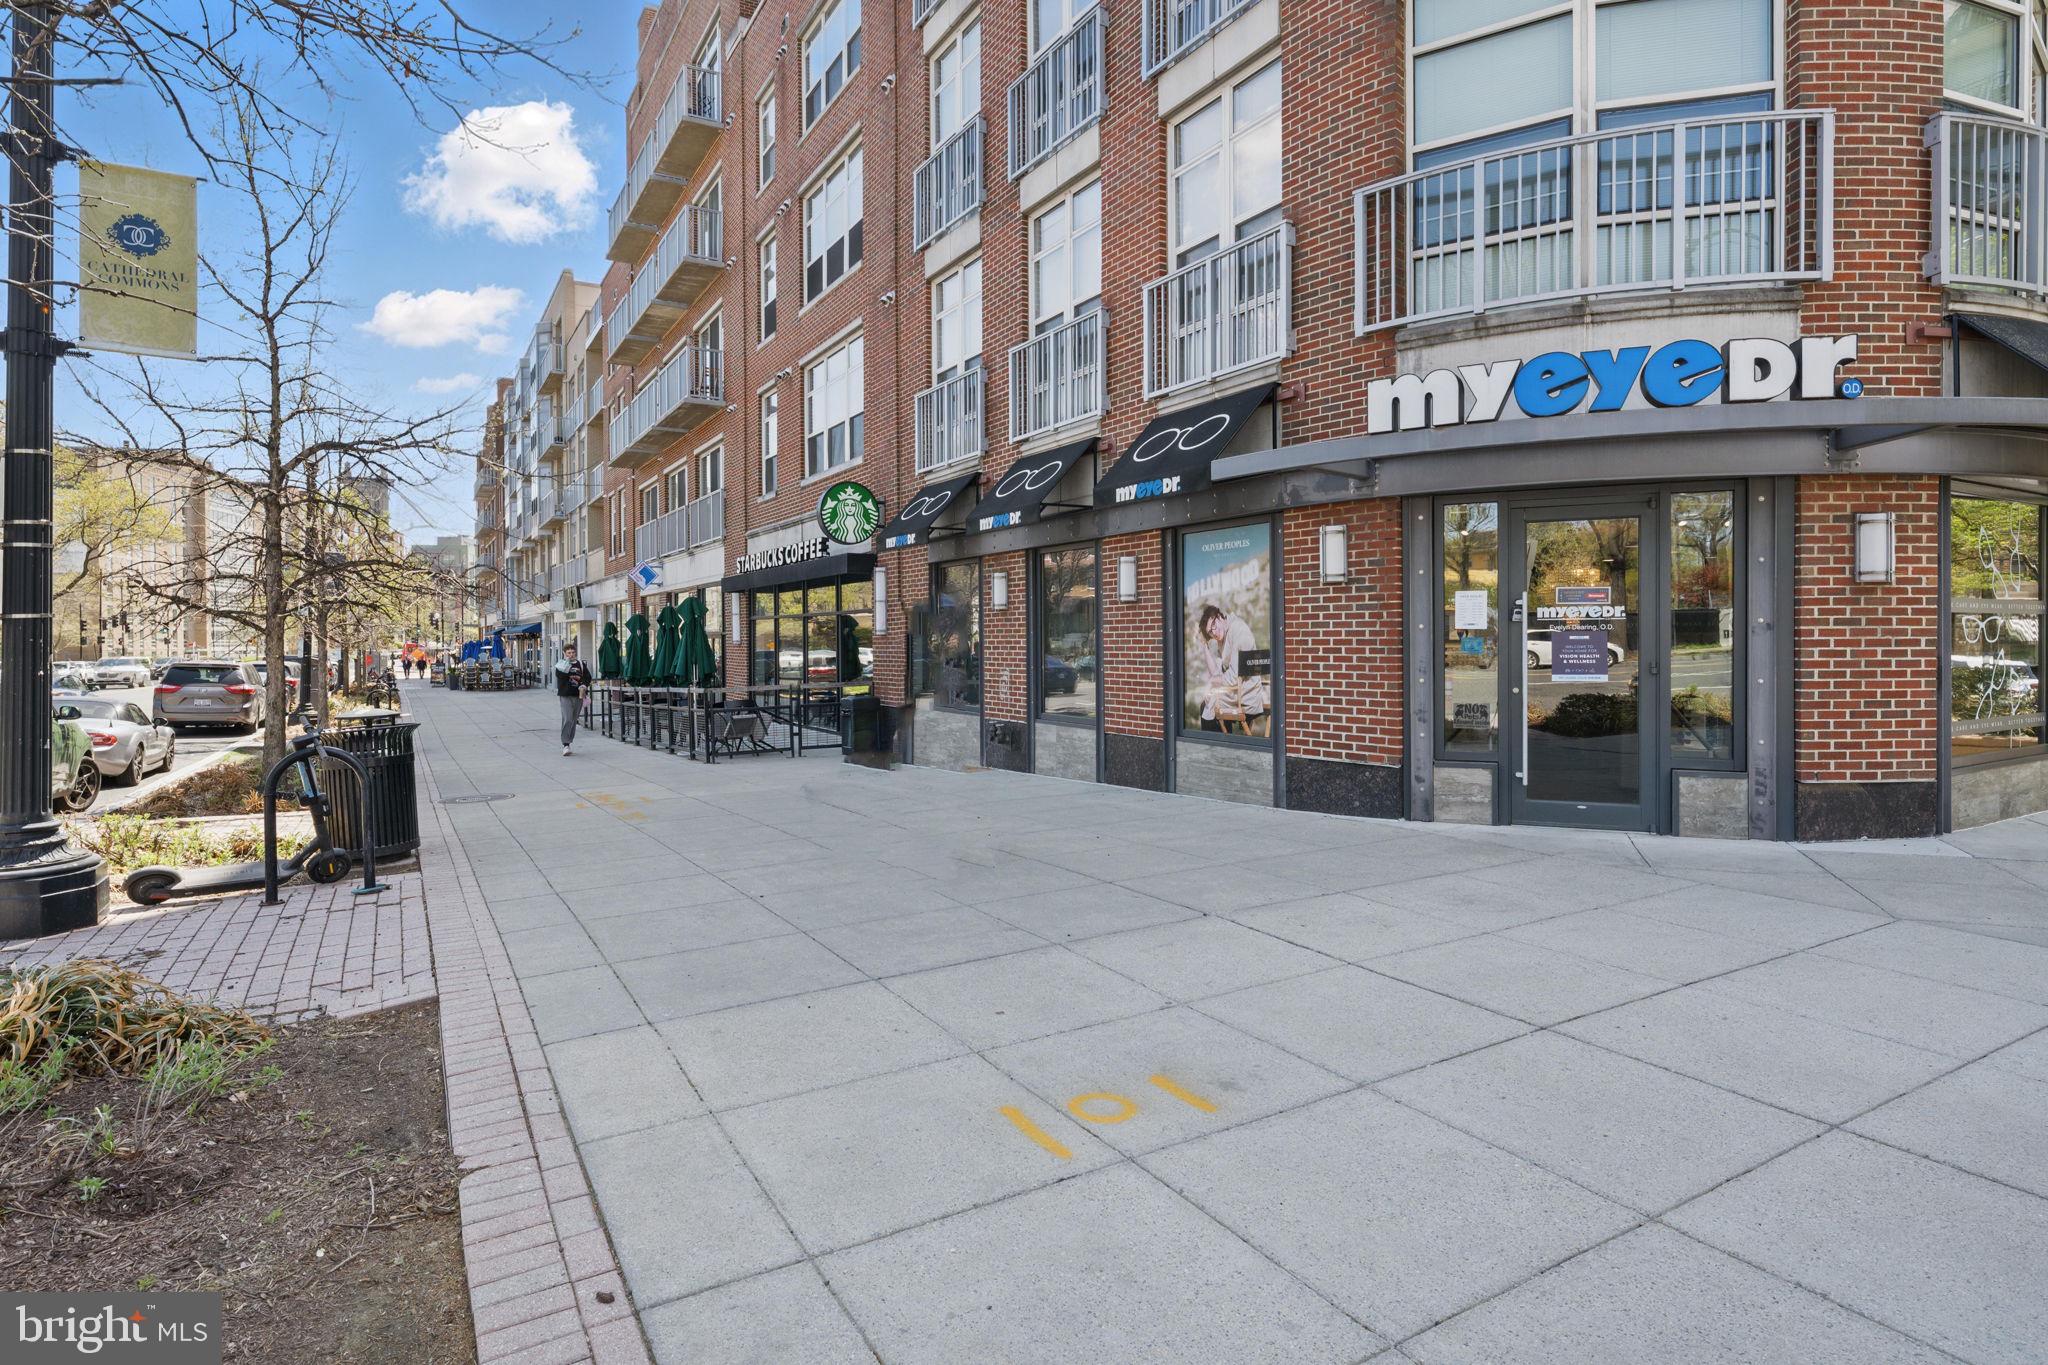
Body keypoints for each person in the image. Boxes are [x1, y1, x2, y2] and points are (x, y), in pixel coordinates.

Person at [1194, 602, 1269, 734]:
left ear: (1219, 617)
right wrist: (1204, 645)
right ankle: (1221, 747)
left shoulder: (1238, 630)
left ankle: (1218, 750)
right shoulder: (1223, 638)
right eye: (1210, 633)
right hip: (1237, 690)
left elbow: (1232, 678)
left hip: (1247, 692)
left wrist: (1212, 684)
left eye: (1214, 626)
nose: (1214, 633)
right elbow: (1216, 674)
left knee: (1209, 703)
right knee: (1208, 702)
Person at [554, 641, 592, 755]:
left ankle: (569, 742)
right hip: (565, 695)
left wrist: (584, 684)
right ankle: (565, 744)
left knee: (574, 719)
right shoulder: (561, 664)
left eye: (573, 652)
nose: (571, 654)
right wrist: (567, 664)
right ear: (564, 653)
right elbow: (560, 676)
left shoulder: (580, 664)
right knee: (567, 718)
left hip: (578, 695)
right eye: (569, 653)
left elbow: (587, 677)